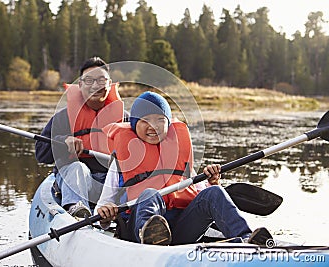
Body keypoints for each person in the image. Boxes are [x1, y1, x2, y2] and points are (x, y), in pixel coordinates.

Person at [95, 91, 272, 245]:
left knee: (214, 193)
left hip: (181, 230)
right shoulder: (122, 161)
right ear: (134, 124)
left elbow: (202, 196)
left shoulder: (179, 154)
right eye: (145, 120)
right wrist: (106, 214)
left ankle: (246, 237)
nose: (153, 126)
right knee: (150, 193)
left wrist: (213, 182)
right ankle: (151, 234)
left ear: (168, 123)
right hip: (139, 232)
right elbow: (102, 209)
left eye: (160, 120)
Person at [35, 57, 125, 218]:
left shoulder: (125, 120)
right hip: (77, 182)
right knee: (78, 168)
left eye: (101, 80)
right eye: (89, 80)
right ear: (81, 84)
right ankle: (78, 210)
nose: (95, 86)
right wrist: (63, 142)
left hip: (109, 186)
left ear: (109, 83)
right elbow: (41, 154)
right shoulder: (63, 118)